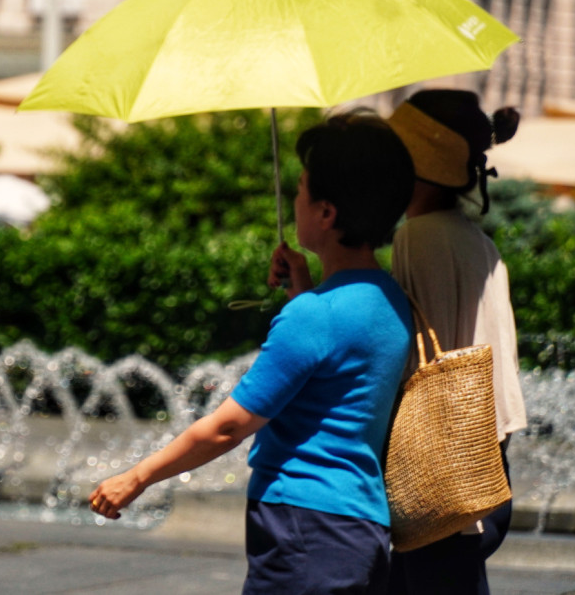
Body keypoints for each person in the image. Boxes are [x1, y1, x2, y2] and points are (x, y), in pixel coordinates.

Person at [89, 111, 416, 594]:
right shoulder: (389, 300)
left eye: (302, 189)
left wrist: (136, 478)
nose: (296, 198)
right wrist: (303, 288)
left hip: (304, 526)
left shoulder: (314, 318)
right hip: (359, 526)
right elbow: (333, 381)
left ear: (327, 213)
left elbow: (227, 428)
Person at [385, 90, 529, 594]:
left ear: (413, 167)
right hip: (484, 462)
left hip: (434, 466)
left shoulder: (416, 238)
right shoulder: (477, 242)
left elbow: (402, 355)